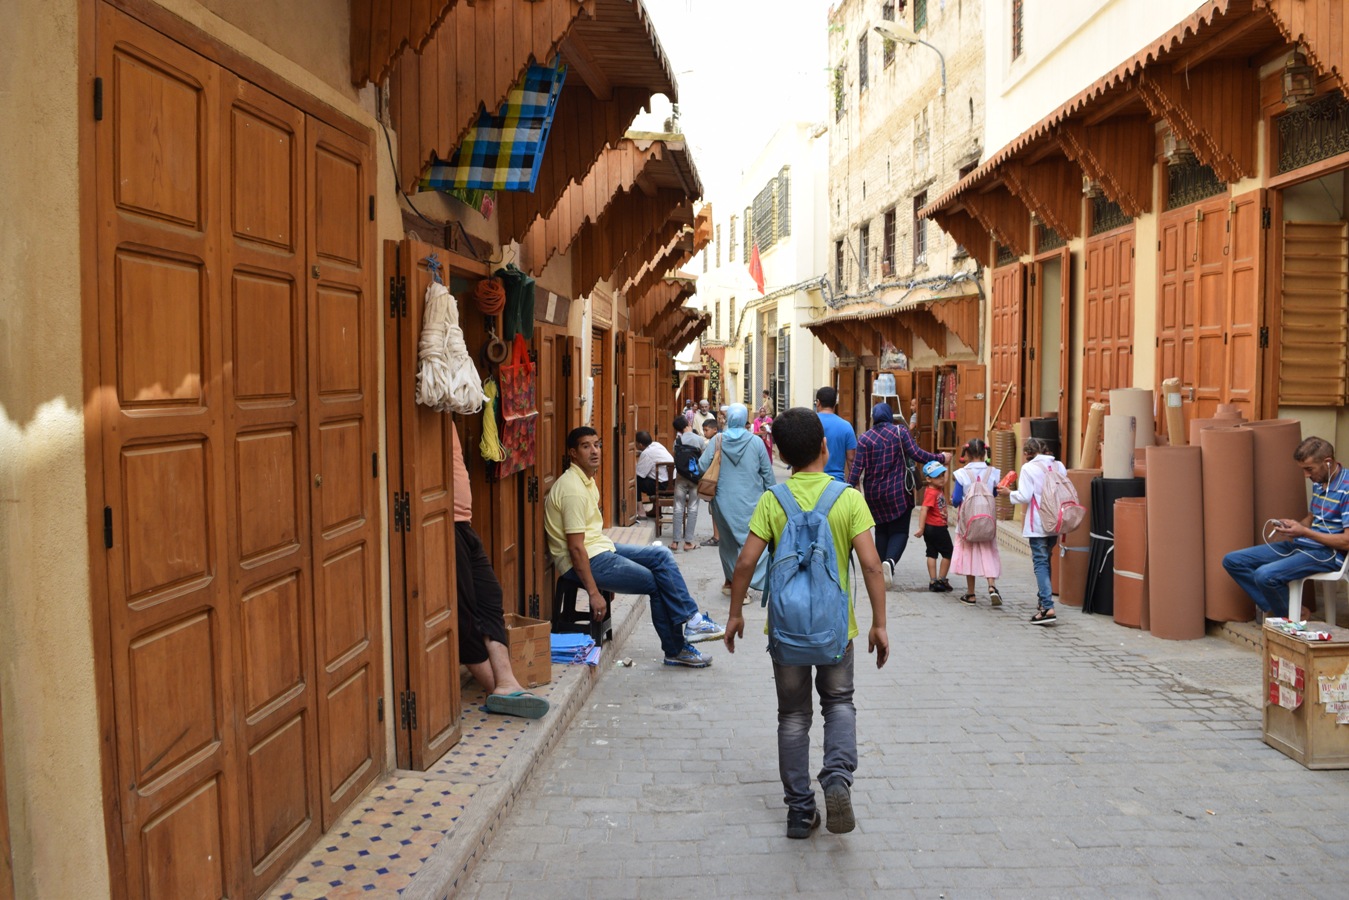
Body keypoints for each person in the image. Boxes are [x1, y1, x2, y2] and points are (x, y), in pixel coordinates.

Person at [723, 407, 890, 839]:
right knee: (839, 703)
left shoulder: (772, 500)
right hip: (837, 631)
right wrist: (879, 624)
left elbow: (745, 562)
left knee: (793, 716)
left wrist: (735, 613)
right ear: (824, 447)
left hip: (786, 631)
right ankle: (836, 777)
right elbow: (872, 566)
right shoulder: (848, 498)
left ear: (779, 455)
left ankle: (799, 811)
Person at [545, 426, 725, 668]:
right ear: (573, 453)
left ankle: (692, 619)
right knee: (656, 581)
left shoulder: (587, 481)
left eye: (596, 444)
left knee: (661, 555)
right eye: (586, 446)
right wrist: (594, 592)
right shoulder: (572, 490)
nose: (594, 451)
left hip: (600, 549)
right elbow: (576, 549)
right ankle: (676, 649)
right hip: (586, 559)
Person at [451, 428, 550, 718]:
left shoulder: (452, 397)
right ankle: (498, 689)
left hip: (463, 523)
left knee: (491, 596)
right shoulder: (432, 395)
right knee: (465, 615)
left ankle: (508, 683)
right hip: (444, 521)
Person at [1223, 437, 1349, 618]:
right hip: (1305, 544)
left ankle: (1289, 614)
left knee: (1265, 575)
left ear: (1327, 462)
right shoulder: (1320, 481)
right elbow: (1312, 518)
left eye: (1309, 469)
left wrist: (1304, 532)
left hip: (1328, 554)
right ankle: (1287, 610)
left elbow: (1346, 542)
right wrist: (1295, 526)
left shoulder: (1347, 488)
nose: (1306, 475)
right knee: (1233, 561)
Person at [848, 402, 945, 588]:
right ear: (889, 416)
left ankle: (882, 573)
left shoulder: (865, 439)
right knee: (899, 531)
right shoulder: (899, 432)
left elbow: (856, 470)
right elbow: (917, 454)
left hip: (874, 495)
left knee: (882, 530)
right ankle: (890, 562)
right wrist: (940, 458)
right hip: (898, 492)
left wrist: (845, 489)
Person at [700, 403, 775, 596]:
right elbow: (767, 474)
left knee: (728, 543)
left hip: (722, 501)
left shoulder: (718, 440)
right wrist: (774, 497)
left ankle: (732, 583)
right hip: (752, 501)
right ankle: (742, 587)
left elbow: (702, 466)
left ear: (728, 418)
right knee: (750, 543)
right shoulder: (756, 443)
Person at [1003, 437, 1066, 625]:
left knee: (1040, 563)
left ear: (1026, 453)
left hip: (1038, 523)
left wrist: (1008, 494)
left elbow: (1024, 496)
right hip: (1056, 521)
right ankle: (1042, 602)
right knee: (1046, 560)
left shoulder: (1028, 469)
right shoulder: (1059, 466)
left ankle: (1047, 607)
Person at [951, 439, 1003, 607]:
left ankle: (971, 594)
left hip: (968, 522)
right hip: (987, 519)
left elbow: (957, 499)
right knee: (988, 552)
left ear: (966, 454)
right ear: (984, 453)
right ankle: (992, 586)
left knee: (969, 555)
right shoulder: (993, 472)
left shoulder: (962, 474)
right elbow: (994, 494)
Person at [913, 460, 954, 592]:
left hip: (931, 528)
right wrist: (921, 527)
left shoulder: (936, 487)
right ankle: (941, 579)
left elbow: (945, 480)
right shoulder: (931, 493)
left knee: (932, 553)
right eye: (938, 476)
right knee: (948, 553)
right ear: (928, 479)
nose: (942, 479)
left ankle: (933, 581)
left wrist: (947, 466)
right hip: (937, 527)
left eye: (942, 475)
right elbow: (924, 509)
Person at [670, 415, 706, 551]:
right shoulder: (699, 439)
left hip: (680, 477)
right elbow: (703, 459)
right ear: (688, 423)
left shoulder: (677, 441)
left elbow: (677, 458)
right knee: (693, 508)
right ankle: (688, 542)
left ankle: (675, 542)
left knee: (678, 507)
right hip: (695, 478)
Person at [815, 386, 857, 483]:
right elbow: (851, 459)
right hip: (837, 483)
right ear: (835, 403)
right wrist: (856, 485)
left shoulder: (809, 423)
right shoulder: (846, 426)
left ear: (818, 402)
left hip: (813, 482)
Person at [634, 430, 673, 519]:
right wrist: (640, 453)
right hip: (673, 483)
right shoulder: (657, 445)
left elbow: (640, 474)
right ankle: (655, 510)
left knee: (636, 480)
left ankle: (641, 511)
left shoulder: (646, 454)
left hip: (663, 486)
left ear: (640, 444)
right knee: (652, 475)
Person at [700, 417, 723, 548]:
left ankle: (717, 536)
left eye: (706, 430)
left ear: (715, 430)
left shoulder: (716, 440)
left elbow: (703, 464)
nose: (704, 433)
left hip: (718, 480)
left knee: (715, 509)